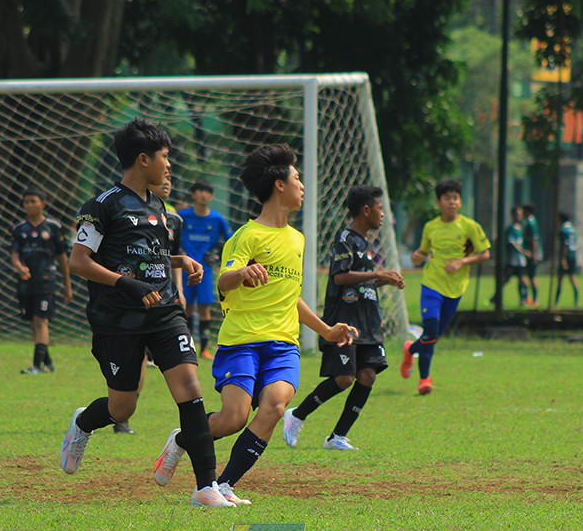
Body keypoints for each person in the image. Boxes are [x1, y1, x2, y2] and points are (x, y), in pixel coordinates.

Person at [152, 144, 357, 505]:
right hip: (242, 341)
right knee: (233, 418)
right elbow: (223, 281)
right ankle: (184, 438)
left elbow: (289, 296)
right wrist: (242, 272)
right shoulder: (246, 236)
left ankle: (223, 485)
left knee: (276, 406)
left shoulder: (298, 239)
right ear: (279, 185)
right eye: (296, 178)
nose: (301, 185)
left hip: (282, 343)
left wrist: (325, 330)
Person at [57, 118, 233, 508]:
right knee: (123, 406)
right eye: (165, 157)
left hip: (165, 311)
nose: (169, 165)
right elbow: (79, 262)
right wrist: (125, 284)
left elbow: (147, 256)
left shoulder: (164, 210)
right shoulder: (101, 206)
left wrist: (179, 259)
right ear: (142, 159)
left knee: (190, 388)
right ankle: (85, 422)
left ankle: (207, 487)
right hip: (117, 318)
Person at [282, 185, 404, 451]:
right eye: (381, 209)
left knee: (368, 375)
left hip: (368, 323)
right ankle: (297, 415)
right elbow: (340, 276)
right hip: (345, 320)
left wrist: (385, 280)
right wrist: (378, 274)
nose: (383, 214)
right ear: (366, 210)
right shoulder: (345, 239)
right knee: (344, 378)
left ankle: (337, 436)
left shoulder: (366, 244)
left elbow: (362, 284)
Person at [401, 180, 491, 395]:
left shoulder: (470, 226)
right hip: (431, 284)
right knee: (430, 332)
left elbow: (484, 254)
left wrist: (461, 262)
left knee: (433, 337)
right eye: (448, 198)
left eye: (456, 198)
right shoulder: (430, 227)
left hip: (455, 288)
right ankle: (424, 380)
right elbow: (423, 252)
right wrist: (417, 256)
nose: (452, 202)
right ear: (438, 202)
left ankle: (410, 349)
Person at [124, 177, 188, 437]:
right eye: (162, 176)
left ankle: (189, 435)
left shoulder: (174, 219)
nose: (166, 180)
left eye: (170, 178)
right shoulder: (125, 211)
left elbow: (170, 257)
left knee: (183, 370)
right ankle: (124, 414)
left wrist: (180, 290)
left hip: (165, 302)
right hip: (132, 302)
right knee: (136, 359)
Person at [10, 188, 73, 375]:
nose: (29, 205)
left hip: (46, 281)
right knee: (32, 322)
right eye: (26, 202)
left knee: (40, 321)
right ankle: (48, 362)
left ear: (43, 204)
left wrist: (67, 285)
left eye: (33, 201)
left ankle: (37, 366)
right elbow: (14, 256)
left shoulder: (53, 227)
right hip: (26, 283)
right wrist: (20, 267)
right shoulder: (19, 229)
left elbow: (62, 257)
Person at [178, 182, 233, 359]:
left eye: (208, 192)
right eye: (201, 191)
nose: (204, 195)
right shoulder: (182, 217)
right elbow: (170, 235)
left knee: (204, 309)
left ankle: (204, 349)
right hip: (185, 268)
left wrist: (218, 256)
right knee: (185, 307)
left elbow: (231, 242)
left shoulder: (217, 219)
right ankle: (187, 346)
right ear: (193, 195)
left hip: (205, 270)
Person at [494, 205, 529, 307]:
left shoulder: (521, 227)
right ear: (513, 215)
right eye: (517, 214)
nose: (519, 216)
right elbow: (511, 243)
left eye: (520, 214)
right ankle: (496, 297)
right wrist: (523, 251)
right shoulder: (510, 228)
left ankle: (523, 300)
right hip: (512, 261)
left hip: (521, 261)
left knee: (523, 280)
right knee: (505, 279)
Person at [554, 211, 580, 307]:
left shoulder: (563, 229)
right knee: (572, 276)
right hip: (573, 254)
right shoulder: (572, 228)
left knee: (560, 278)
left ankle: (556, 301)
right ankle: (577, 299)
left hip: (566, 254)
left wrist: (563, 258)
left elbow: (565, 244)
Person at [521, 202, 541, 305]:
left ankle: (535, 298)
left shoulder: (531, 223)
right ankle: (528, 297)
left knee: (531, 276)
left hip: (531, 254)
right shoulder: (529, 222)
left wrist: (534, 254)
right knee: (528, 276)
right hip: (528, 253)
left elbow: (534, 240)